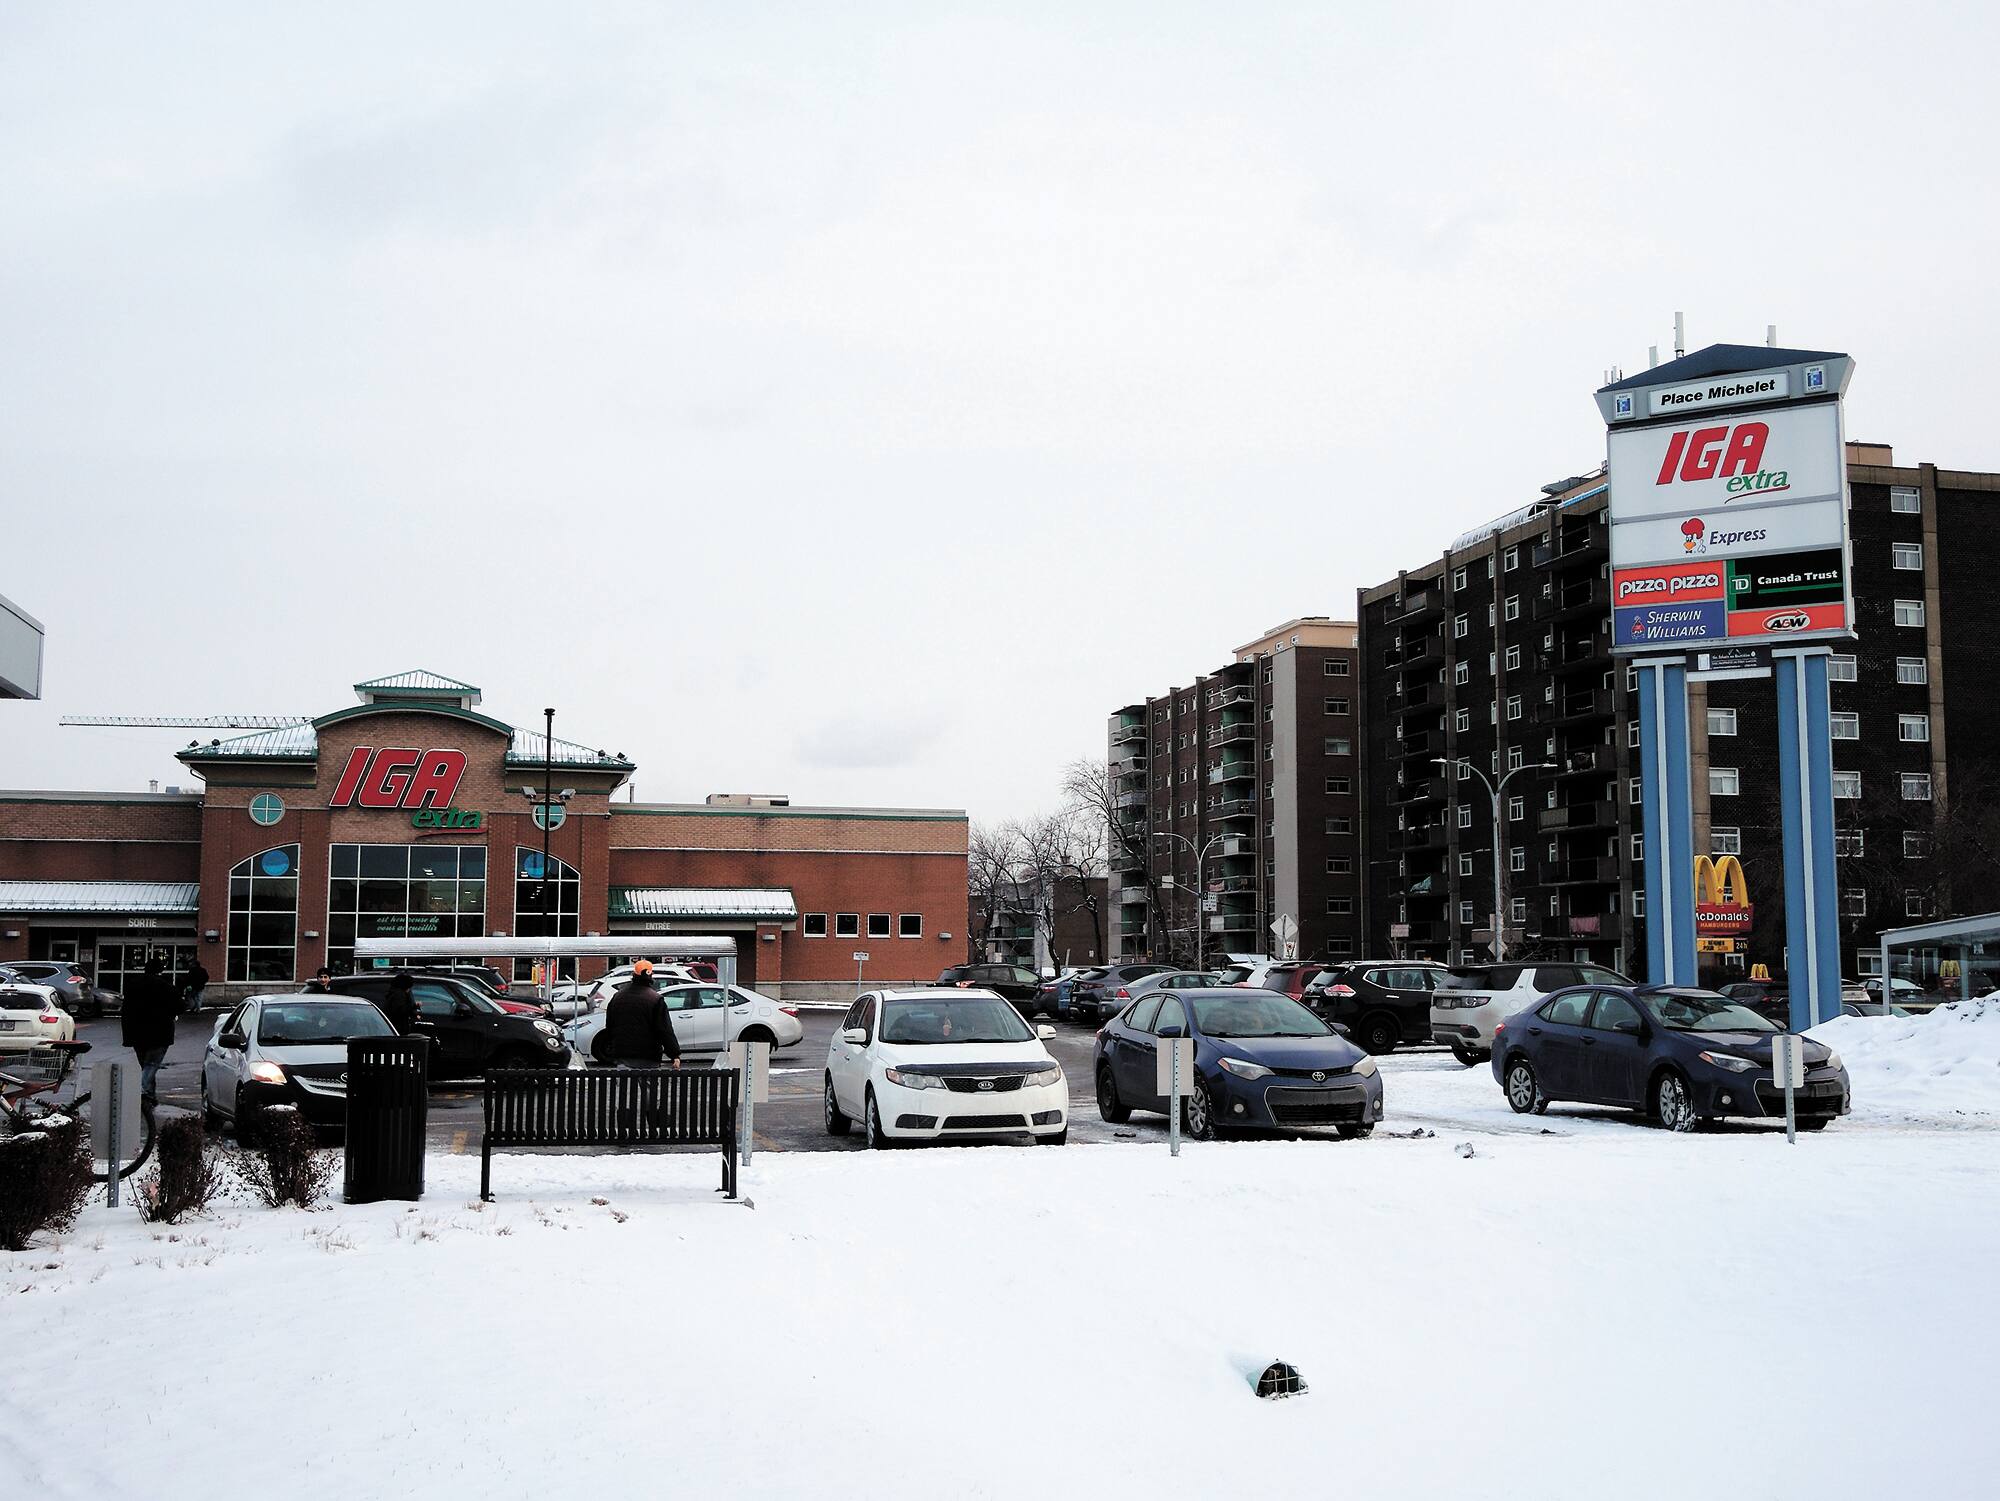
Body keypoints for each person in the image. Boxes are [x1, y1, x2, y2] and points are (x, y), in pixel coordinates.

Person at [598, 959, 682, 1069]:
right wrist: (674, 1054)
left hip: (622, 1054)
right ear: (651, 975)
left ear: (634, 974)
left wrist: (613, 1046)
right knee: (648, 1081)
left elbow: (610, 1025)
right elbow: (664, 1030)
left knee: (626, 1080)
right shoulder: (655, 999)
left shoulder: (618, 997)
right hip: (648, 1055)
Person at [120, 955, 177, 1107]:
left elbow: (126, 1009)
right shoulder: (164, 986)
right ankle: (140, 1091)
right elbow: (179, 1005)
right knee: (151, 1065)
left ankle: (149, 1097)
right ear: (160, 970)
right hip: (160, 1032)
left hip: (136, 1032)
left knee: (145, 1065)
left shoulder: (133, 985)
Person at [379, 970, 418, 1034]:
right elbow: (400, 1010)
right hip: (398, 1027)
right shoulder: (399, 995)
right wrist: (414, 1006)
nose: (409, 990)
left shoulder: (394, 993)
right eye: (409, 987)